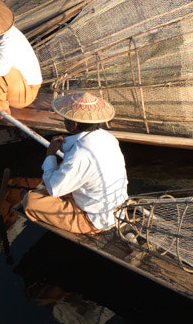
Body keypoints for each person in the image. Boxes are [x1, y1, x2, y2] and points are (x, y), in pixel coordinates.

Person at [15, 90, 128, 236]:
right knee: (58, 174)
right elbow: (78, 152)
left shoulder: (80, 155)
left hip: (96, 219)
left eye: (65, 119)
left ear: (73, 124)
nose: (63, 121)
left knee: (31, 201)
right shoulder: (108, 138)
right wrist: (63, 145)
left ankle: (31, 198)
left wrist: (50, 154)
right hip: (116, 209)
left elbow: (55, 190)